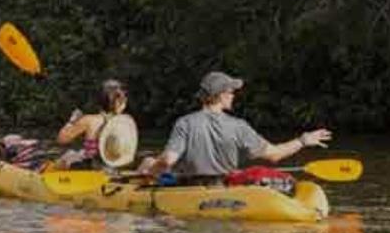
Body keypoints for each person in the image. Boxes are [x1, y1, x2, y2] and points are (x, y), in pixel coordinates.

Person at [138, 71, 332, 177]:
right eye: (230, 92)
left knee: (148, 161)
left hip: (189, 190)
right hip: (224, 189)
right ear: (220, 95)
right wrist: (303, 141)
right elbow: (274, 155)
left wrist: (148, 171)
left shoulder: (185, 123)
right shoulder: (239, 126)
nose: (233, 95)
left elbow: (167, 161)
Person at [54, 79, 128, 169]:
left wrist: (72, 120)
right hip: (111, 169)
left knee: (65, 158)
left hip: (91, 169)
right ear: (121, 102)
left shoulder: (89, 120)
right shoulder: (124, 125)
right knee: (75, 154)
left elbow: (61, 139)